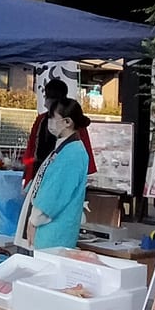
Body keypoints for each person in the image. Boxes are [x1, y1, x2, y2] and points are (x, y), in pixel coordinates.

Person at [14, 98, 92, 253]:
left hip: (51, 233)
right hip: (51, 231)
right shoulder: (66, 148)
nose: (49, 122)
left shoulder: (72, 153)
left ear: (67, 122)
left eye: (52, 117)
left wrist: (35, 219)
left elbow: (54, 192)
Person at [21, 79, 96, 185]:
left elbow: (85, 159)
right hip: (39, 174)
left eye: (46, 97)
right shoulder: (41, 120)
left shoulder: (74, 124)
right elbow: (32, 148)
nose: (45, 101)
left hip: (62, 177)